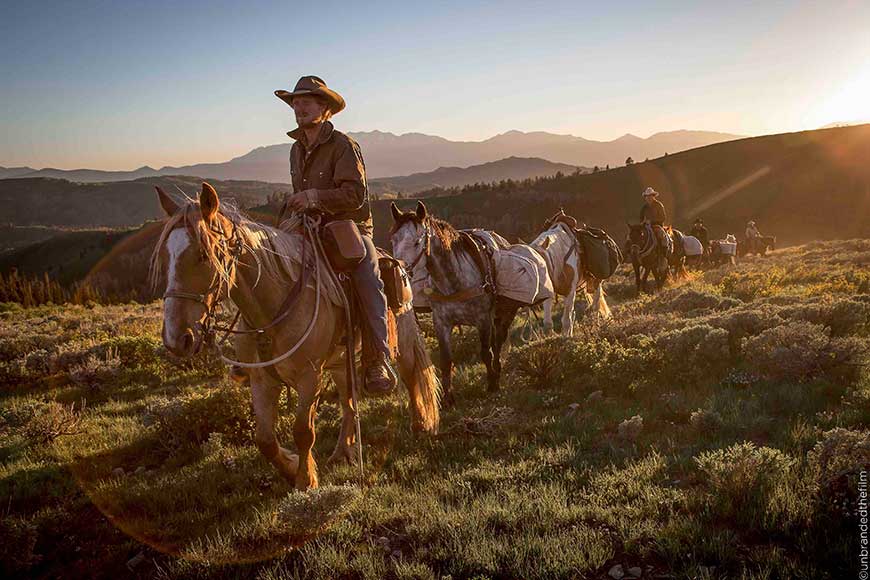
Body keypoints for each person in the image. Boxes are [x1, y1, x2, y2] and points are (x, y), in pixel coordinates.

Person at [274, 75, 395, 395]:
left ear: (324, 108)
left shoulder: (343, 145)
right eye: (295, 103)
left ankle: (377, 357)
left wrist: (314, 197)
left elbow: (355, 195)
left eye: (306, 102)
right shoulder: (295, 150)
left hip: (348, 226)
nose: (298, 107)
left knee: (367, 271)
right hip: (308, 226)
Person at [639, 187, 670, 262]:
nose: (648, 198)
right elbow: (641, 218)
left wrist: (652, 221)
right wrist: (643, 223)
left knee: (662, 237)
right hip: (647, 226)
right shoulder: (644, 207)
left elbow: (663, 217)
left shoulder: (659, 205)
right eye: (647, 196)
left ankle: (663, 254)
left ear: (653, 196)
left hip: (657, 226)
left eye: (650, 196)